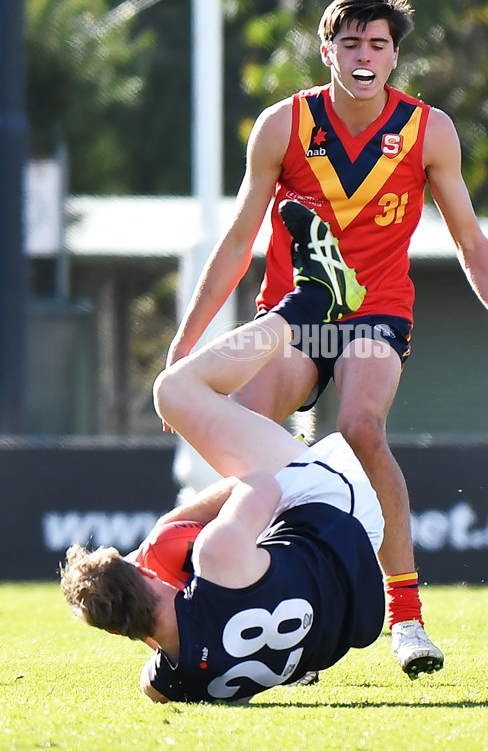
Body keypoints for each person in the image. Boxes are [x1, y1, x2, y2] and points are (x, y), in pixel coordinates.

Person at [165, 0, 488, 676]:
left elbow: (471, 241)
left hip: (375, 314)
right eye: (349, 41)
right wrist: (185, 347)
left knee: (359, 426)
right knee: (247, 424)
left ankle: (407, 616)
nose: (363, 54)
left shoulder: (427, 130)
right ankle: (260, 590)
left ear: (393, 59)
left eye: (377, 44)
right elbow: (236, 243)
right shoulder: (284, 124)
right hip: (297, 312)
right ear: (326, 50)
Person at [61, 215, 389, 703]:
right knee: (174, 391)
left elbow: (155, 669)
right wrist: (167, 529)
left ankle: (306, 319)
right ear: (145, 575)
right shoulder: (217, 556)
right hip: (340, 511)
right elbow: (262, 485)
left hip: (356, 601)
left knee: (244, 493)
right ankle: (316, 297)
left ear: (122, 631)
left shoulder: (170, 683)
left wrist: (130, 600)